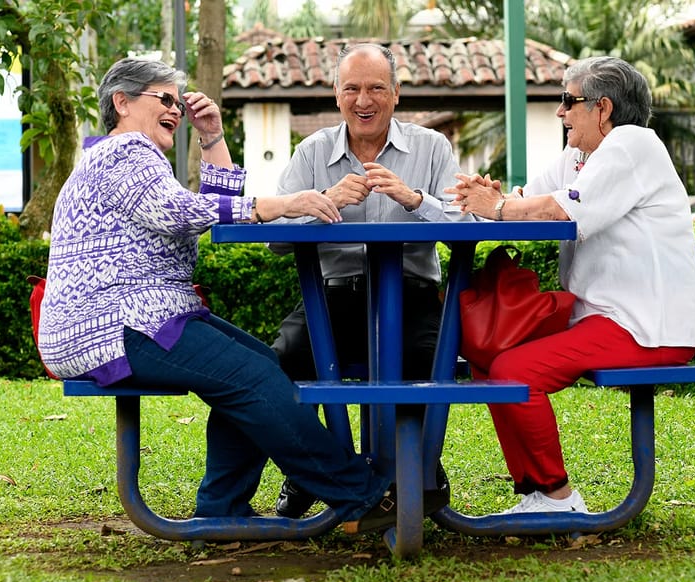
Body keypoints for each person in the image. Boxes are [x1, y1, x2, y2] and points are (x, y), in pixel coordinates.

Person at [37, 57, 448, 534]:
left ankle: (222, 506)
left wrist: (212, 136)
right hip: (116, 325)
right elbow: (179, 211)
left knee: (261, 367)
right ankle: (363, 494)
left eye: (178, 101)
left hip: (148, 315)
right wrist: (286, 203)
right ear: (122, 103)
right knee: (253, 376)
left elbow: (212, 203)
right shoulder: (123, 152)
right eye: (164, 99)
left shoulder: (132, 156)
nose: (175, 109)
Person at [446, 56, 695, 514]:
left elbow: (557, 211)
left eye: (568, 101)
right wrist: (483, 197)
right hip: (601, 320)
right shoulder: (580, 156)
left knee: (517, 371)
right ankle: (535, 491)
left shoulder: (633, 145)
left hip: (646, 326)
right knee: (487, 357)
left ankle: (560, 497)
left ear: (603, 108)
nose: (560, 112)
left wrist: (497, 207)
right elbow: (526, 201)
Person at [268, 43, 466, 518]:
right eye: (352, 88)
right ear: (336, 96)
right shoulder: (312, 152)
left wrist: (416, 200)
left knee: (429, 361)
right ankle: (311, 472)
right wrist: (321, 203)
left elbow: (464, 224)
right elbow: (274, 237)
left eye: (377, 87)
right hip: (332, 299)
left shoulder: (432, 147)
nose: (364, 99)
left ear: (396, 94)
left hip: (413, 294)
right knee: (279, 362)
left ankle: (416, 469)